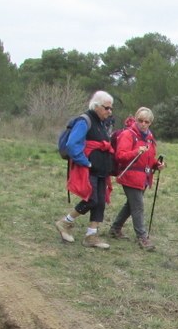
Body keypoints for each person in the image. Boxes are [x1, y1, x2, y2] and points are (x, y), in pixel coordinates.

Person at [54, 91, 117, 248]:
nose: (109, 111)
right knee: (92, 199)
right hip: (89, 169)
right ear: (96, 106)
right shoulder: (85, 121)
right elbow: (72, 144)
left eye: (111, 108)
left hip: (101, 170)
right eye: (106, 108)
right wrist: (85, 162)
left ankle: (91, 236)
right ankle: (65, 222)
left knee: (100, 202)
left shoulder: (102, 123)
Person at [109, 108, 164, 250]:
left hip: (143, 178)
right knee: (138, 206)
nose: (143, 124)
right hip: (129, 176)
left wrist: (157, 165)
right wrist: (136, 152)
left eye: (147, 122)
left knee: (131, 205)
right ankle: (142, 238)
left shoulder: (150, 138)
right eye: (140, 120)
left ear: (151, 123)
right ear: (135, 118)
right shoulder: (128, 134)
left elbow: (149, 158)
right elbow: (120, 155)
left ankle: (115, 229)